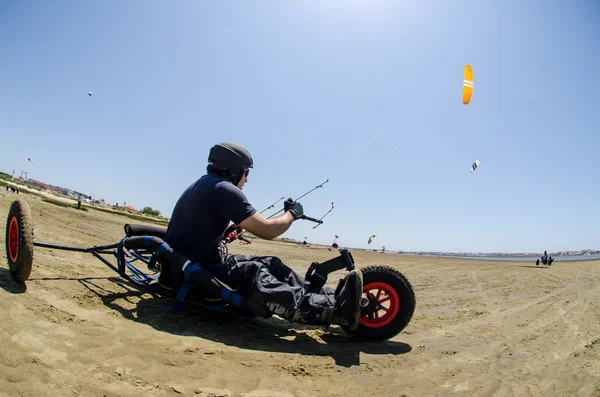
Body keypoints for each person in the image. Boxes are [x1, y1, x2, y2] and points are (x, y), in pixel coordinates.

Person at [161, 142, 364, 329]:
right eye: (246, 172)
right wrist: (292, 215)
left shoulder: (206, 184)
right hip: (192, 270)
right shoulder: (224, 189)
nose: (247, 179)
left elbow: (196, 228)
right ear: (234, 169)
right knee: (253, 272)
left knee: (271, 263)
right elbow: (269, 230)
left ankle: (327, 295)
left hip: (186, 263)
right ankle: (333, 311)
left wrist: (225, 232)